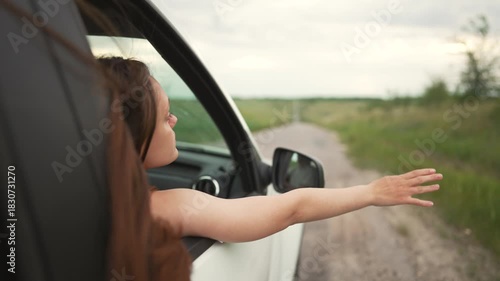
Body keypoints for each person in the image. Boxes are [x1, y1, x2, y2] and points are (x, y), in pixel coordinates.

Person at [98, 56, 443, 244]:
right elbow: (290, 208)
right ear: (129, 136)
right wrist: (371, 191)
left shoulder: (69, 198)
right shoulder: (162, 208)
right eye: (163, 117)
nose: (174, 120)